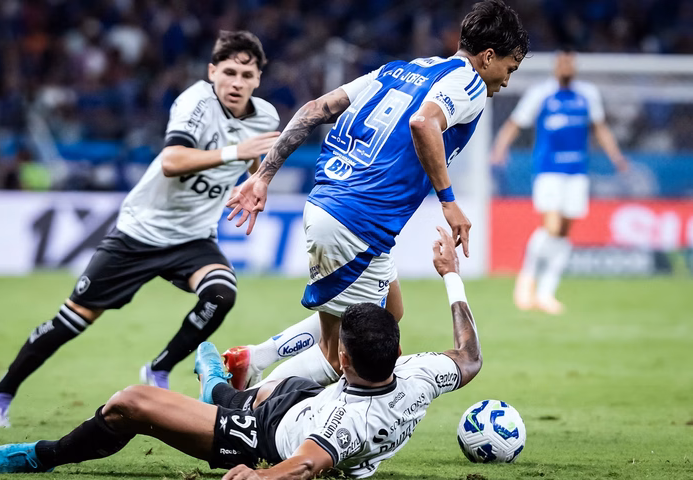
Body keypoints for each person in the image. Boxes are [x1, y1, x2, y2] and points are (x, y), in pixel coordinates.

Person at [0, 226, 482, 479]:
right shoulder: (420, 375)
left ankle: (39, 457)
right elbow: (469, 357)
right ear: (396, 353)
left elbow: (303, 466)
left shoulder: (345, 425)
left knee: (133, 403)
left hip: (262, 438)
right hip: (297, 400)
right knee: (256, 388)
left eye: (337, 348)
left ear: (344, 361)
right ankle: (216, 375)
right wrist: (451, 274)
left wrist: (260, 476)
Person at [222, 0, 528, 390]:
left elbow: (316, 108)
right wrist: (449, 202)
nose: (506, 80)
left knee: (390, 311)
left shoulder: (401, 69)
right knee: (342, 359)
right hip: (358, 221)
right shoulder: (467, 82)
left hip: (333, 203)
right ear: (488, 56)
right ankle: (243, 408)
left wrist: (264, 175)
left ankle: (258, 357)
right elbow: (423, 123)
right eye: (509, 68)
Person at [0, 30, 281, 428]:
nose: (237, 82)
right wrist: (235, 152)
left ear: (259, 78)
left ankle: (159, 367)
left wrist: (255, 181)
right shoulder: (195, 102)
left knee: (221, 293)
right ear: (212, 72)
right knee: (73, 320)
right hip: (140, 232)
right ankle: (2, 391)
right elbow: (172, 160)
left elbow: (255, 164)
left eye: (247, 74)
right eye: (229, 72)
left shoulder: (267, 117)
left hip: (194, 237)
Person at [489, 49, 628, 314]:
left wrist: (616, 156)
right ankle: (526, 280)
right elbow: (515, 122)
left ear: (574, 66)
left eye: (570, 62)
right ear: (556, 66)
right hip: (549, 171)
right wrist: (500, 148)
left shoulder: (587, 94)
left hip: (577, 173)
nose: (566, 66)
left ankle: (546, 293)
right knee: (552, 227)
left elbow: (599, 127)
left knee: (564, 232)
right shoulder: (540, 93)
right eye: (562, 62)